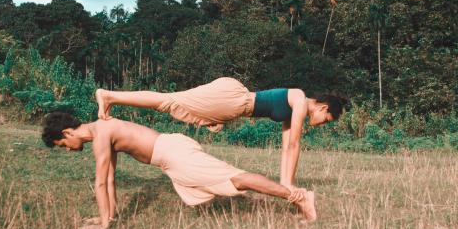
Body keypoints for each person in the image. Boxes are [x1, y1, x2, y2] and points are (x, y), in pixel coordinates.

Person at [41, 111, 316, 229]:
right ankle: (297, 197)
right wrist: (107, 217)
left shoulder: (100, 134)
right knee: (235, 180)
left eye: (63, 144)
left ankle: (299, 197)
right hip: (170, 156)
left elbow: (101, 184)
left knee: (237, 179)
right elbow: (110, 180)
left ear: (66, 132)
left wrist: (102, 225)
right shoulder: (102, 131)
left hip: (173, 155)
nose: (67, 149)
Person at [94, 78, 346, 186]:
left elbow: (286, 149)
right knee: (168, 101)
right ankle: (109, 96)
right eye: (327, 118)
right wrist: (289, 187)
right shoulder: (300, 100)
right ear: (322, 107)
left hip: (231, 106)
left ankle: (111, 97)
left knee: (173, 104)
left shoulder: (293, 111)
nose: (324, 123)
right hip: (233, 100)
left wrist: (285, 185)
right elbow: (294, 146)